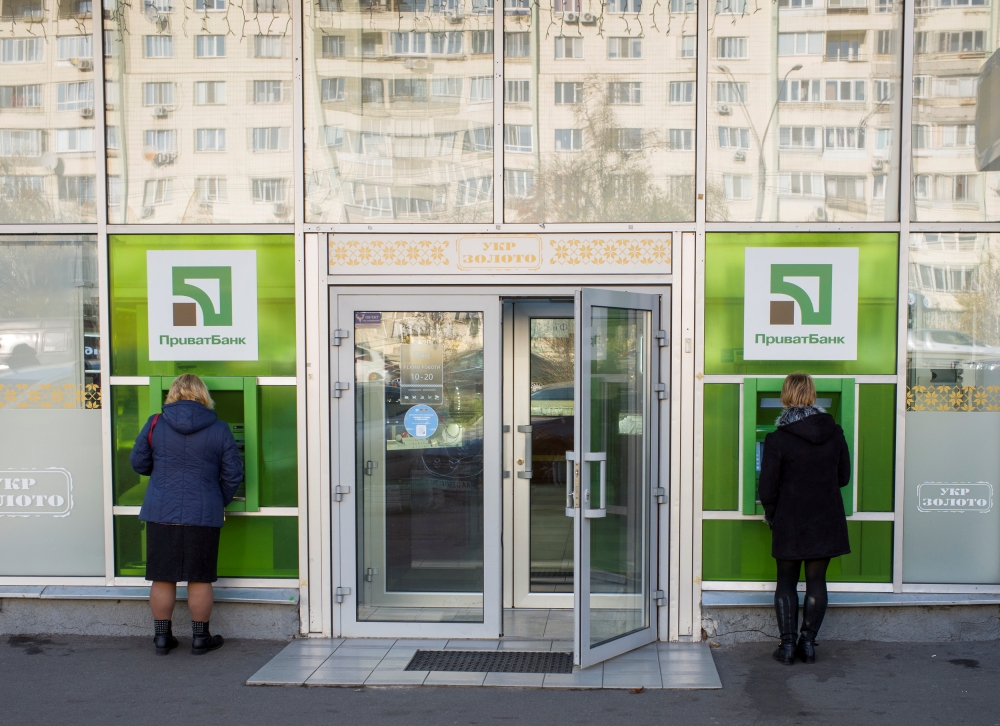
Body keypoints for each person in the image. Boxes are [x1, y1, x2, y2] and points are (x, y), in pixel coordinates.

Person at [130, 374, 243, 656]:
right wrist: (216, 500)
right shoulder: (219, 428)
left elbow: (138, 463)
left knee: (162, 577)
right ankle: (200, 638)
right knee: (200, 577)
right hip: (202, 514)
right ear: (203, 395)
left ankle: (162, 638)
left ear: (172, 394)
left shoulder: (156, 423)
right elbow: (233, 474)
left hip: (161, 511)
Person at [759, 372, 851, 665]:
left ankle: (787, 648)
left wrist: (773, 515)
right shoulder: (834, 432)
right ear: (812, 395)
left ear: (785, 396)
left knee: (786, 582)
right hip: (825, 518)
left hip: (790, 518)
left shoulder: (777, 438)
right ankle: (808, 644)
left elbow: (767, 488)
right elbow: (843, 477)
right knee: (816, 581)